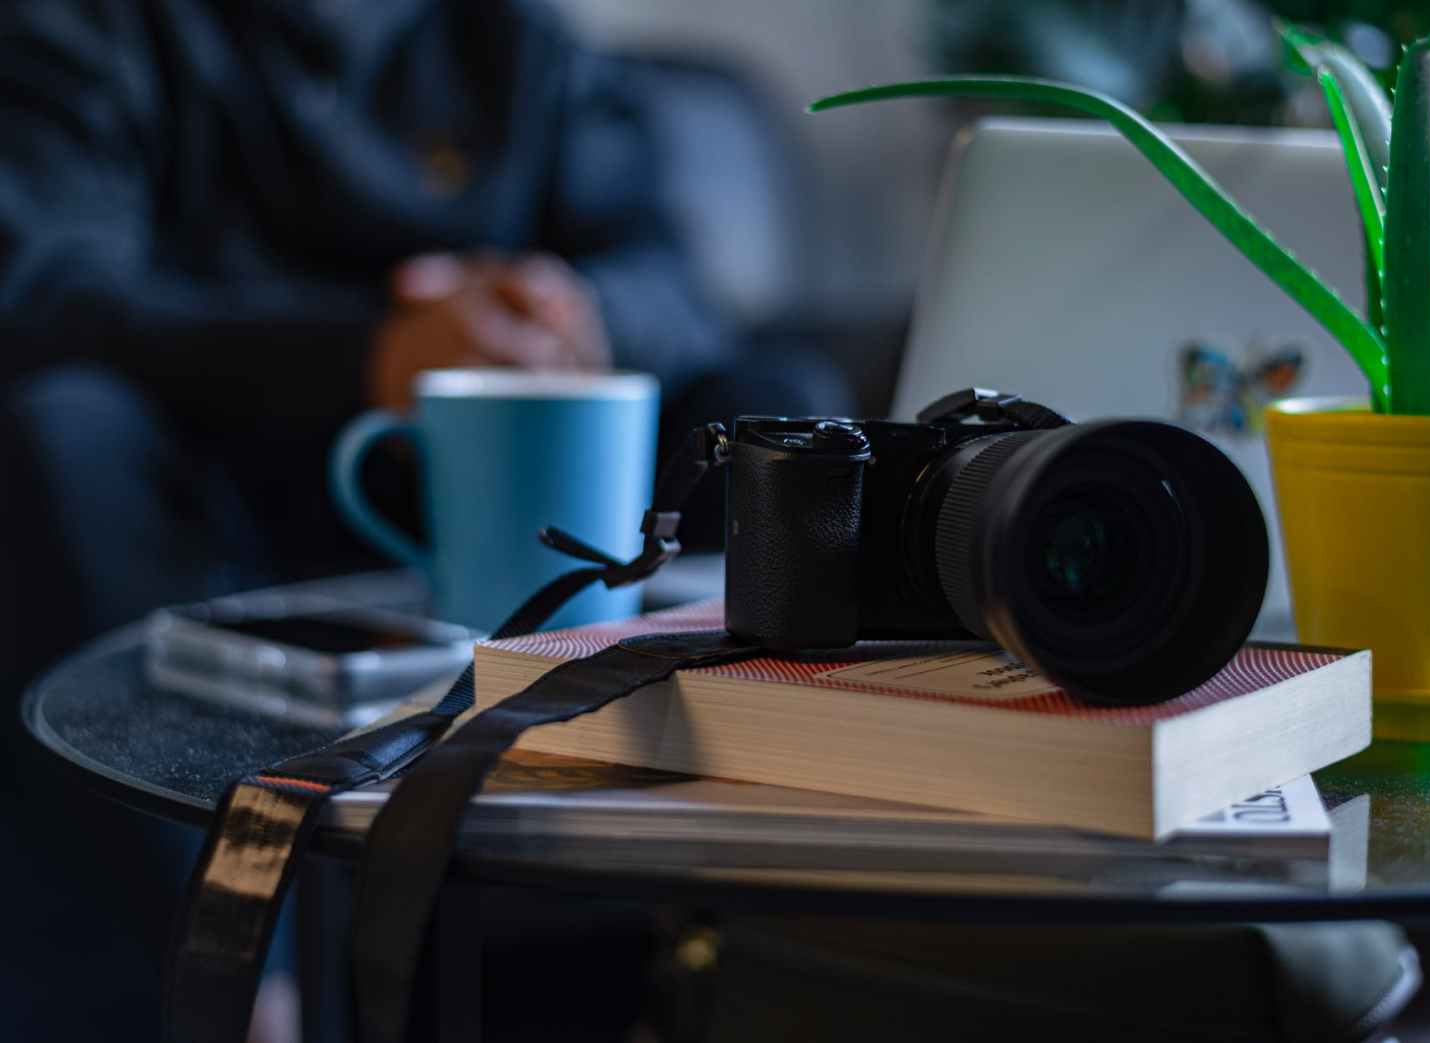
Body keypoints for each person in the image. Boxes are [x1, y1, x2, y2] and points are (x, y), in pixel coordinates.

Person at [0, 1, 848, 1039]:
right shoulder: (90, 31)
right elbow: (49, 290)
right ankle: (228, 970)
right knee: (60, 428)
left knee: (778, 401)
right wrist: (372, 353)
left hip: (516, 491)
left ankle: (786, 930)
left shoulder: (513, 38)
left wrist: (571, 311)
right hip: (213, 492)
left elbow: (670, 270)